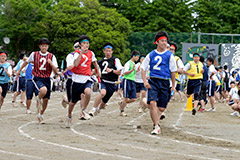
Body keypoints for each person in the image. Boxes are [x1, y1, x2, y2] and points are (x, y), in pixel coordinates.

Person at [141, 31, 177, 135]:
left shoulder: (170, 55)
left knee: (161, 108)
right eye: (162, 41)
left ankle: (145, 102)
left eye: (165, 41)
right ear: (156, 42)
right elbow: (143, 68)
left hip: (165, 82)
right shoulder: (151, 54)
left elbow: (173, 71)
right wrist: (144, 81)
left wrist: (173, 86)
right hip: (153, 81)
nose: (164, 43)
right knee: (153, 103)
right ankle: (156, 126)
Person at [17, 38, 59, 123]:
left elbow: (56, 70)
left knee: (46, 100)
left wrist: (51, 64)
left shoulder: (51, 56)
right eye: (42, 46)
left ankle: (40, 114)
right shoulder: (34, 54)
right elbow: (27, 62)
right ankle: (38, 98)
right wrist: (20, 70)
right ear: (40, 46)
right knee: (43, 90)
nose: (44, 47)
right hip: (37, 77)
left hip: (47, 78)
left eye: (46, 46)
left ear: (48, 47)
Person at [65, 35, 100, 128]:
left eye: (87, 43)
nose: (86, 45)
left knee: (88, 92)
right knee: (72, 102)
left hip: (86, 77)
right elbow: (76, 64)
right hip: (76, 79)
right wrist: (81, 52)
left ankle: (83, 110)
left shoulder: (91, 53)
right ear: (80, 45)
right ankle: (69, 116)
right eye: (84, 43)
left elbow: (95, 63)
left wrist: (98, 72)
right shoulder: (76, 53)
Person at [88, 42, 122, 116]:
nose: (108, 52)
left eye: (109, 51)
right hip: (103, 81)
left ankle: (99, 109)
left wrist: (112, 71)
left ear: (112, 51)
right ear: (104, 51)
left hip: (112, 83)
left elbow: (120, 72)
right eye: (106, 51)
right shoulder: (101, 61)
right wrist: (90, 74)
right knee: (102, 93)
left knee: (103, 103)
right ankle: (93, 109)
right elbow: (96, 70)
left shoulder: (115, 60)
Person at [119, 50, 140, 117]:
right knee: (125, 97)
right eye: (137, 57)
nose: (137, 58)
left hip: (132, 81)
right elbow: (125, 72)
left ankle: (122, 103)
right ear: (133, 56)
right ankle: (122, 111)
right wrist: (132, 70)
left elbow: (133, 72)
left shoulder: (134, 64)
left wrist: (137, 70)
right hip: (127, 81)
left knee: (134, 98)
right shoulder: (128, 63)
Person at [61, 40, 80, 108]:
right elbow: (69, 67)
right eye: (76, 46)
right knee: (70, 101)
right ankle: (65, 99)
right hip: (71, 78)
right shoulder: (70, 55)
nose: (78, 48)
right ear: (73, 47)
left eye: (79, 46)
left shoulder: (85, 55)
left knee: (83, 95)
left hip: (80, 78)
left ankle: (82, 113)